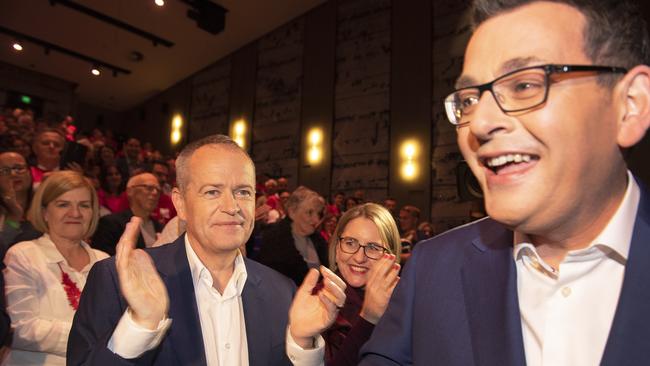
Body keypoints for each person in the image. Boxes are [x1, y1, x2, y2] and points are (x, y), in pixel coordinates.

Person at [360, 0, 650, 365]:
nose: (479, 123)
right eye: (468, 100)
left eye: (526, 85)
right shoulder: (434, 270)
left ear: (630, 104)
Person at [67, 134, 346, 365]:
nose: (232, 206)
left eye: (243, 192)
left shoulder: (283, 291)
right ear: (180, 204)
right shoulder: (115, 280)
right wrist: (138, 327)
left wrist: (302, 345)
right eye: (212, 191)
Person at [3, 171, 108, 365]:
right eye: (63, 204)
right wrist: (96, 337)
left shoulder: (105, 261)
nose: (75, 213)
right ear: (44, 212)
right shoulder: (23, 255)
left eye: (84, 205)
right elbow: (21, 330)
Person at [322, 203, 401, 366]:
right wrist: (369, 319)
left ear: (391, 257)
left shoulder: (405, 305)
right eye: (350, 243)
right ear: (337, 248)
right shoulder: (317, 302)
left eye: (373, 247)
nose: (359, 258)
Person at [256, 186, 329, 286]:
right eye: (309, 212)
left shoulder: (318, 239)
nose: (316, 220)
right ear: (292, 212)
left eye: (318, 213)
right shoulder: (274, 239)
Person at [91, 172, 163, 256]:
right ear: (130, 191)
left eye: (158, 190)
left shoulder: (160, 227)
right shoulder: (110, 224)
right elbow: (104, 262)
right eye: (149, 188)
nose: (155, 193)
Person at [0, 152, 39, 259]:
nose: (13, 174)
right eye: (5, 170)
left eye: (19, 168)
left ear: (29, 172)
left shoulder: (45, 203)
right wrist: (13, 218)